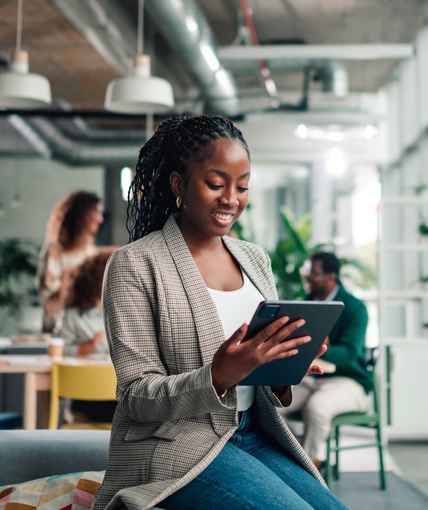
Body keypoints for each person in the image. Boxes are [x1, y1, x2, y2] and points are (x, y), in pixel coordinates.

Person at [92, 115, 348, 510]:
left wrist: (284, 365)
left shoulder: (254, 259)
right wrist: (217, 375)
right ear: (179, 184)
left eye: (242, 186)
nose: (231, 198)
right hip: (178, 445)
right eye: (216, 184)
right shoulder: (135, 264)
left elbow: (258, 381)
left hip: (253, 433)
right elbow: (135, 397)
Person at [279, 251, 372, 469]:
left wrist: (321, 346)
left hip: (349, 381)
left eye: (314, 273)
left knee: (317, 408)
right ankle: (300, 457)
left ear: (331, 276)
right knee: (270, 404)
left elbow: (350, 354)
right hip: (311, 377)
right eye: (308, 272)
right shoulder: (308, 302)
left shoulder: (355, 308)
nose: (308, 277)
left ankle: (305, 471)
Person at [55, 248, 117, 423]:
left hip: (119, 394)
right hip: (84, 396)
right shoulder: (73, 315)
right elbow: (59, 351)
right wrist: (84, 348)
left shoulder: (125, 310)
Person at [35, 191, 106, 332]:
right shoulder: (55, 250)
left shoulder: (90, 251)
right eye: (95, 212)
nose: (100, 219)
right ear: (81, 215)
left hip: (87, 330)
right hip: (59, 331)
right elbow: (46, 289)